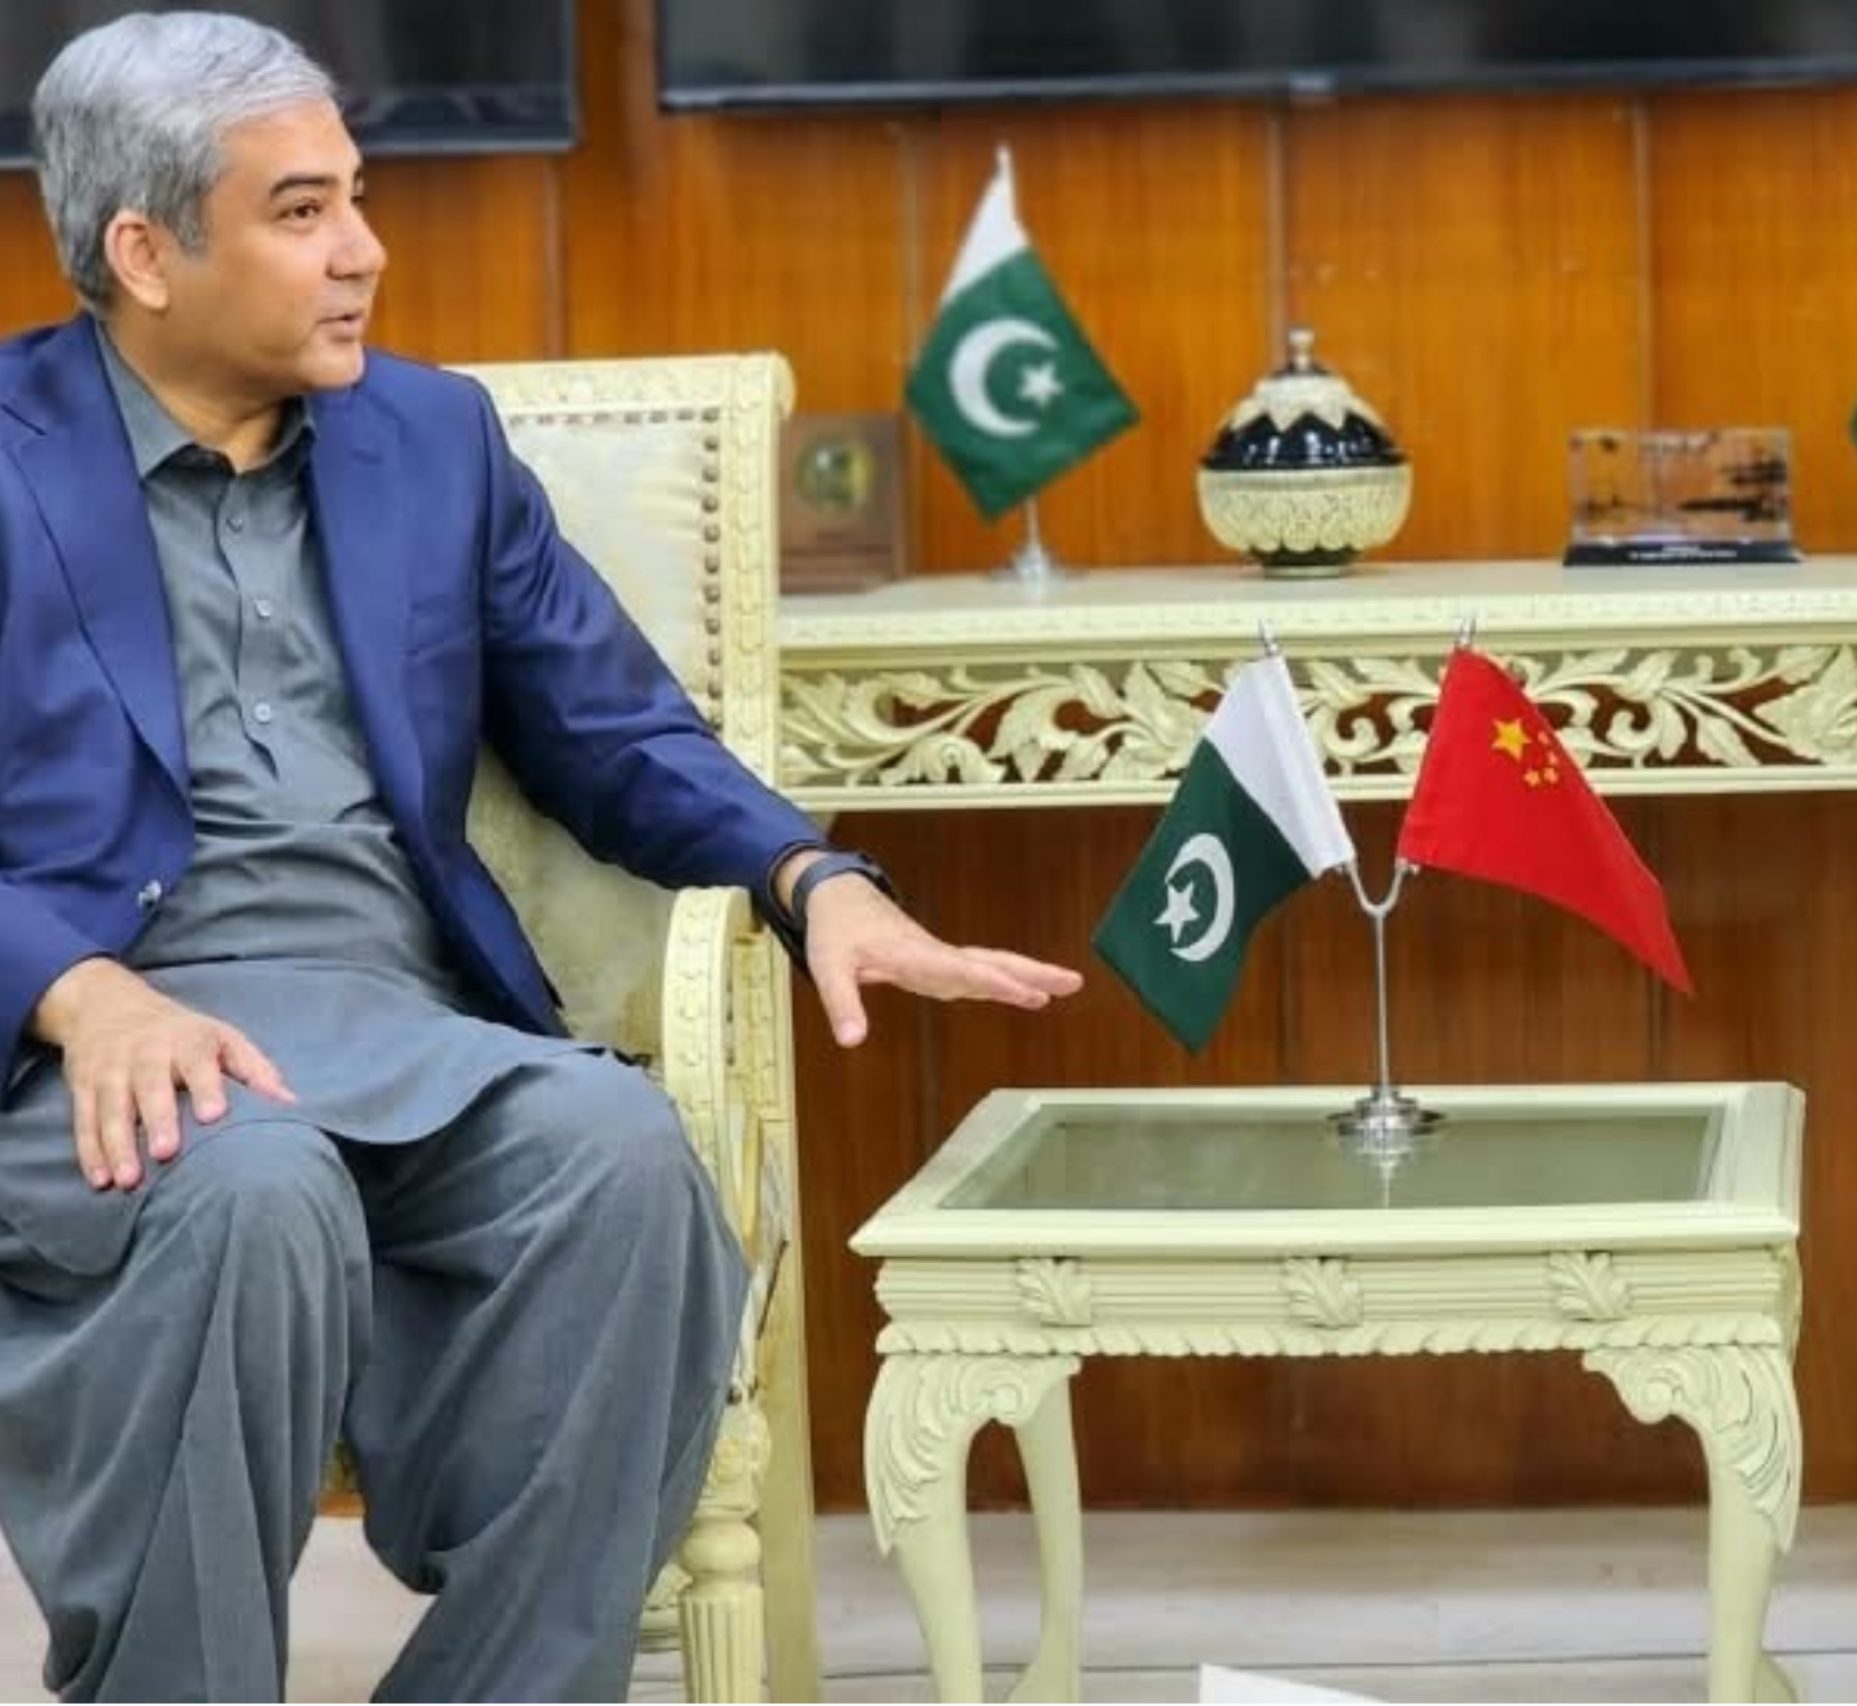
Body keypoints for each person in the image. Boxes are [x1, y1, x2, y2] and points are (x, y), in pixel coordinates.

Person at [0, 10, 1082, 1700]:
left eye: (356, 196)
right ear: (144, 253)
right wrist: (78, 994)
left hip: (394, 1021)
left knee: (626, 1161)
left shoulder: (432, 442)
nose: (363, 251)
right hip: (98, 1053)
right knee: (254, 1190)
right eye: (300, 211)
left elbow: (614, 726)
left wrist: (814, 880)